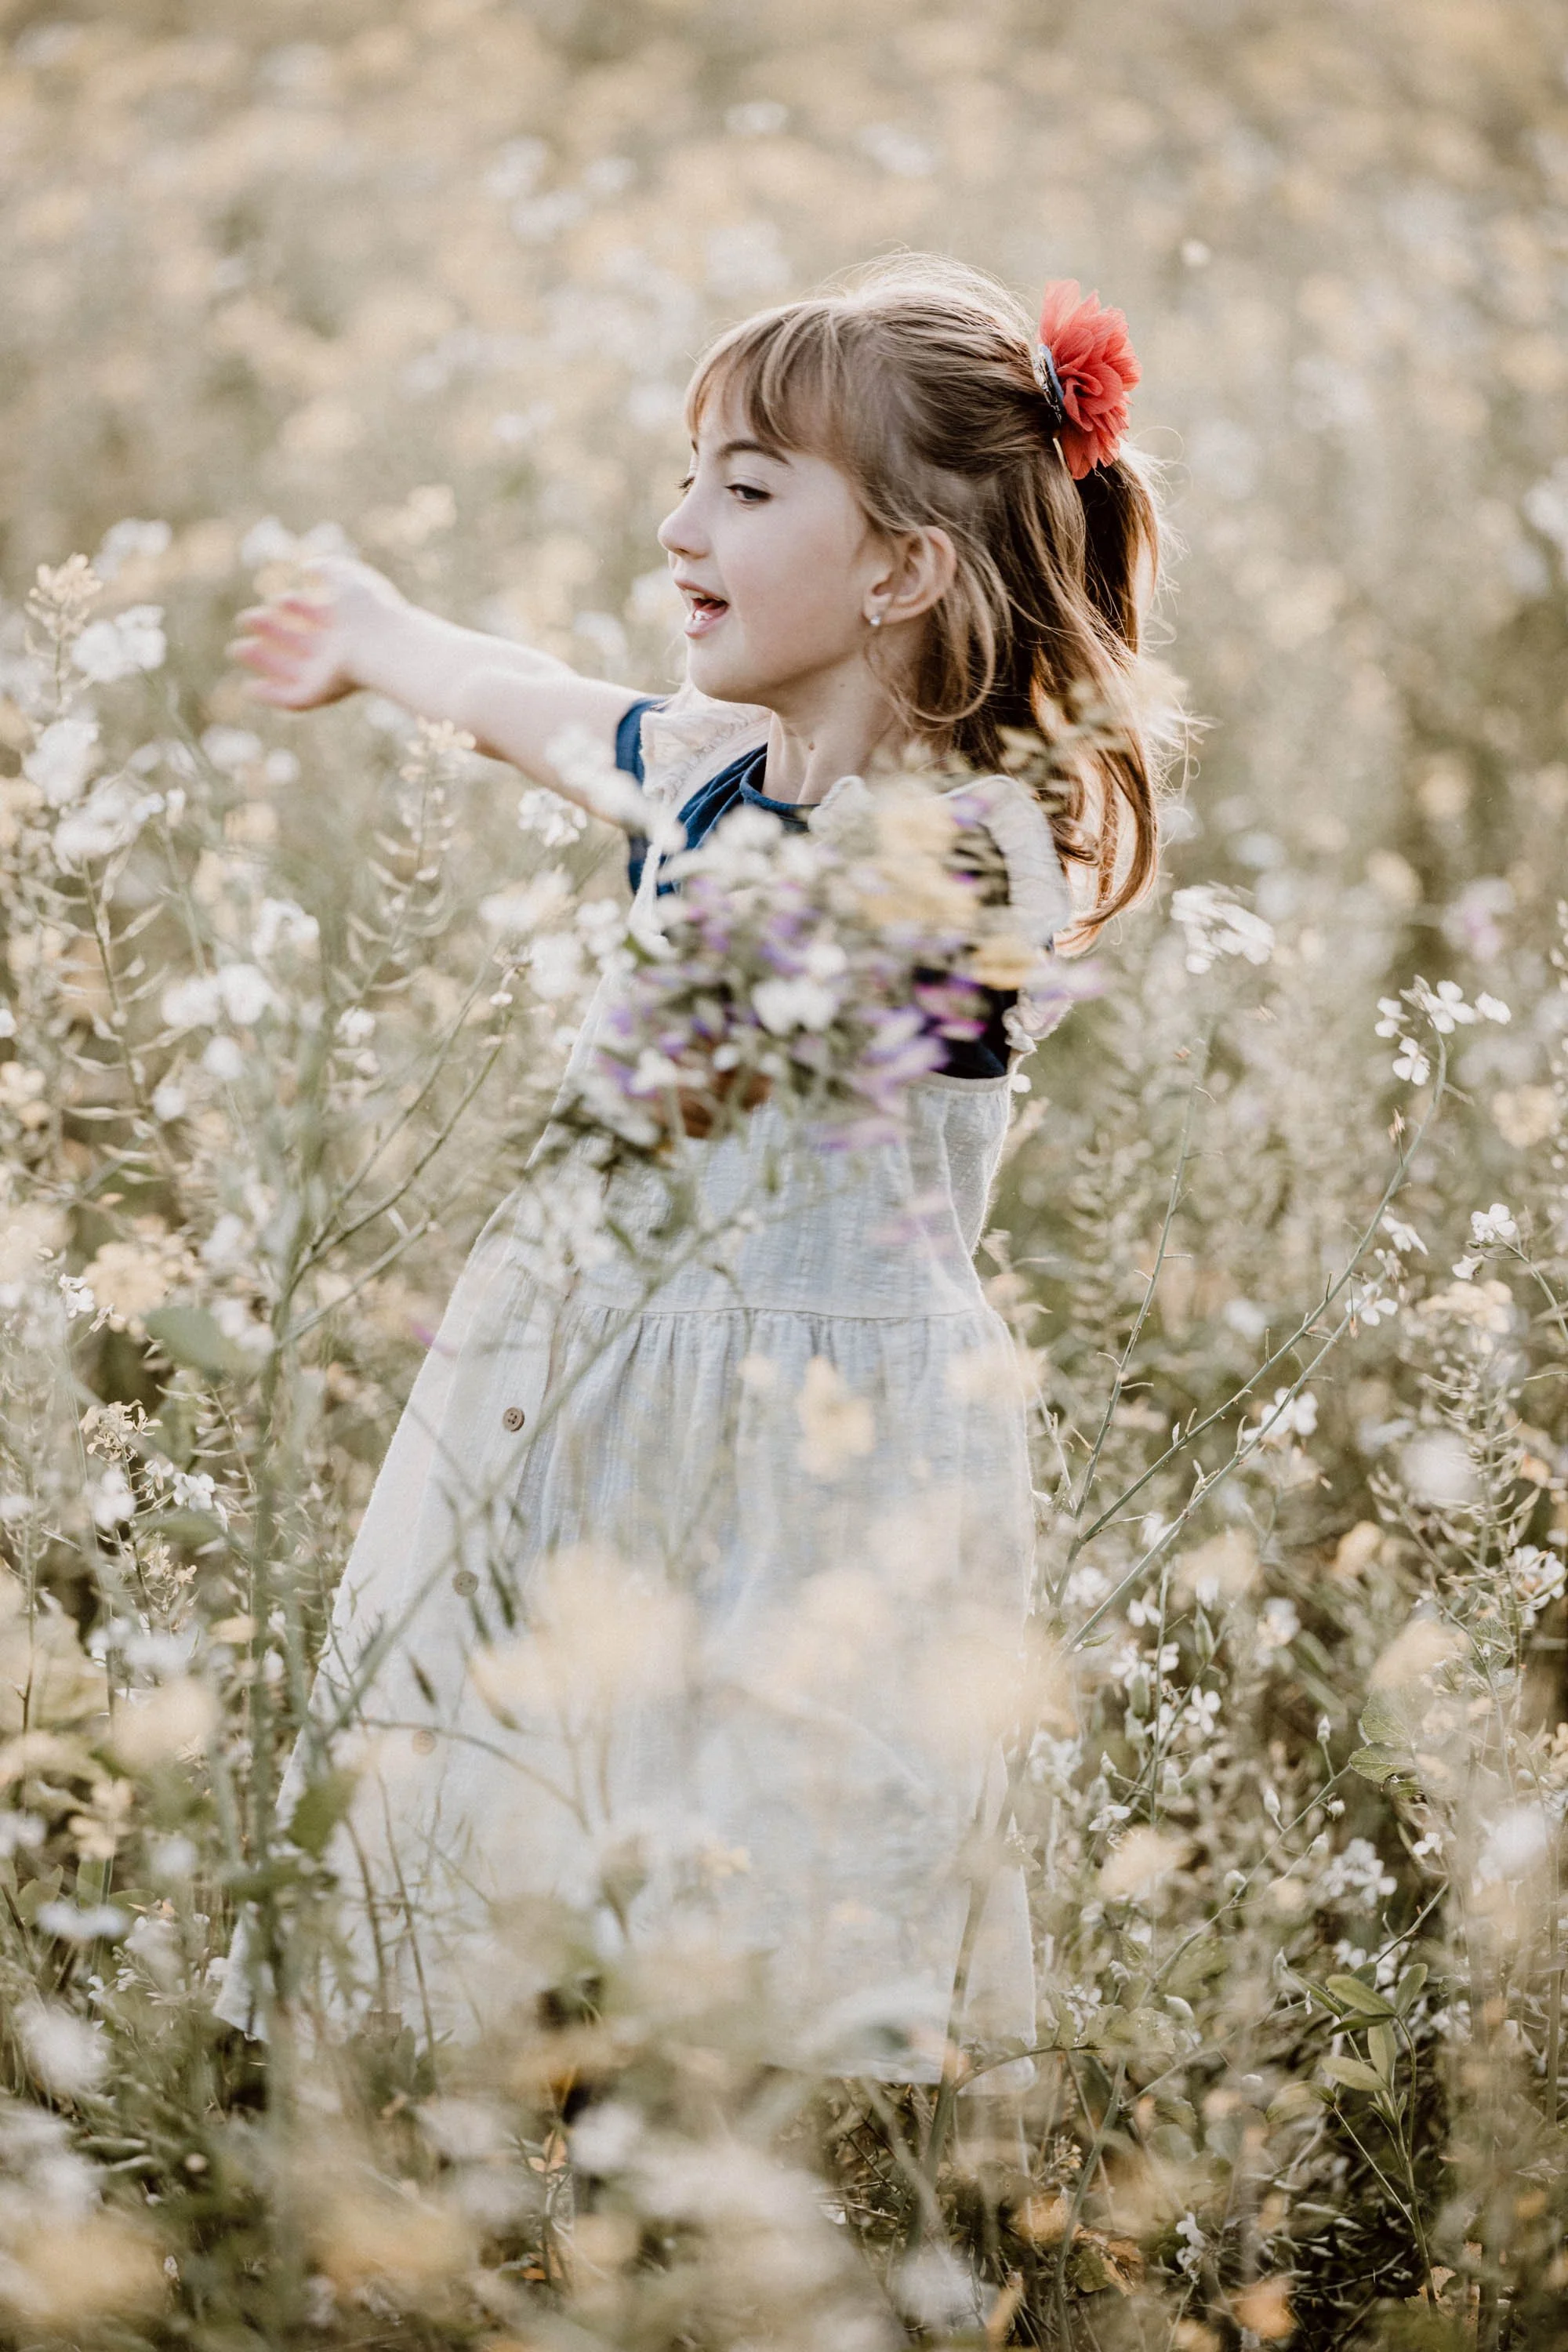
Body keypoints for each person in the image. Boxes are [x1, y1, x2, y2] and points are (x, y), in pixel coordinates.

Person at [214, 256, 1167, 2086]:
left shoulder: (981, 847)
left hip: (820, 1442)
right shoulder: (720, 767)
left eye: (744, 487)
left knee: (773, 1877)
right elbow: (512, 696)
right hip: (588, 1377)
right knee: (509, 1804)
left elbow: (811, 1003)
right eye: (687, 479)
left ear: (898, 570)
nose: (679, 528)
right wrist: (380, 633)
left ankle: (735, 2210)